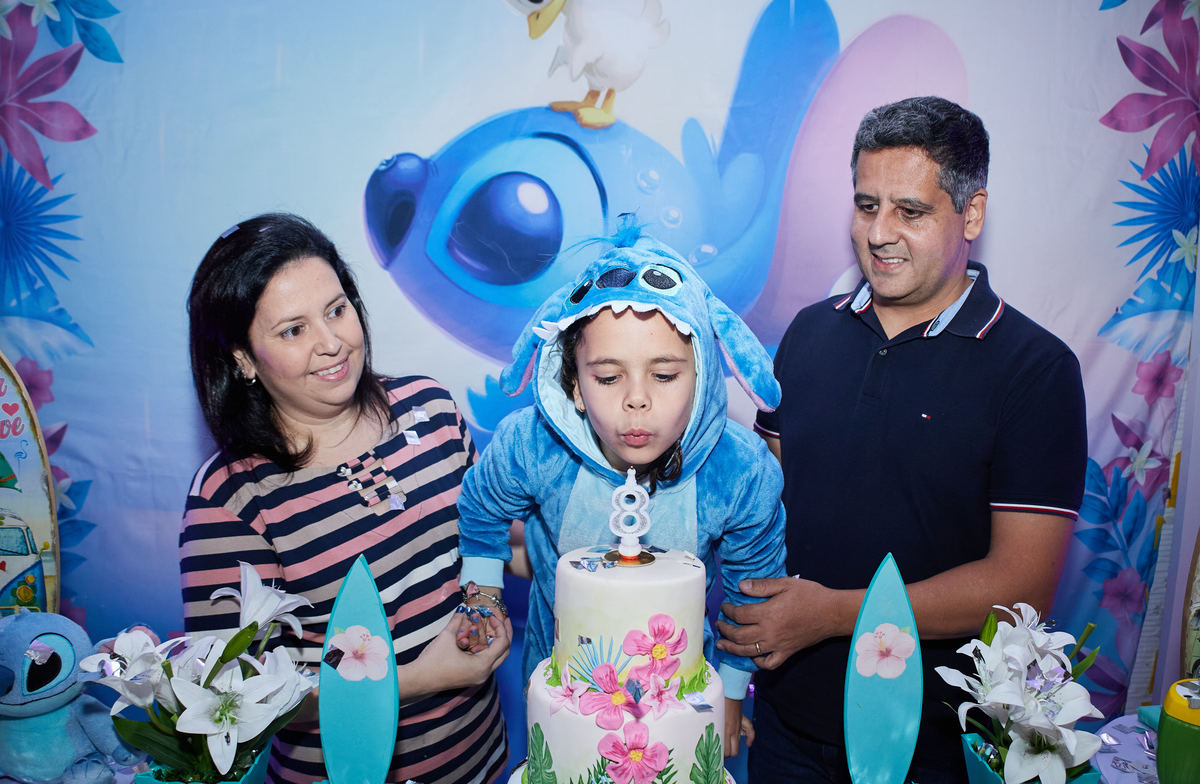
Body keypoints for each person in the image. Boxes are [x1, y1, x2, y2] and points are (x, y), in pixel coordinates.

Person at [717, 96, 1087, 783]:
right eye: (867, 206)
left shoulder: (1035, 370)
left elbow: (1021, 586)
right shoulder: (808, 333)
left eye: (910, 212)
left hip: (934, 746)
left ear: (971, 213)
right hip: (787, 723)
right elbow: (761, 505)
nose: (879, 233)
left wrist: (833, 615)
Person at [180, 213, 510, 784]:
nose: (331, 343)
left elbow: (490, 544)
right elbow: (234, 700)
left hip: (483, 761)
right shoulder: (230, 497)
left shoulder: (431, 411)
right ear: (242, 358)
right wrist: (420, 679)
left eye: (336, 310)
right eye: (293, 330)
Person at [455, 225, 787, 756]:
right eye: (608, 378)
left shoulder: (741, 471)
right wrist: (483, 597)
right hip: (558, 692)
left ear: (703, 375)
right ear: (573, 385)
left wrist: (729, 692)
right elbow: (481, 507)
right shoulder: (532, 445)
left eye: (664, 375)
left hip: (682, 701)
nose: (637, 401)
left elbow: (755, 590)